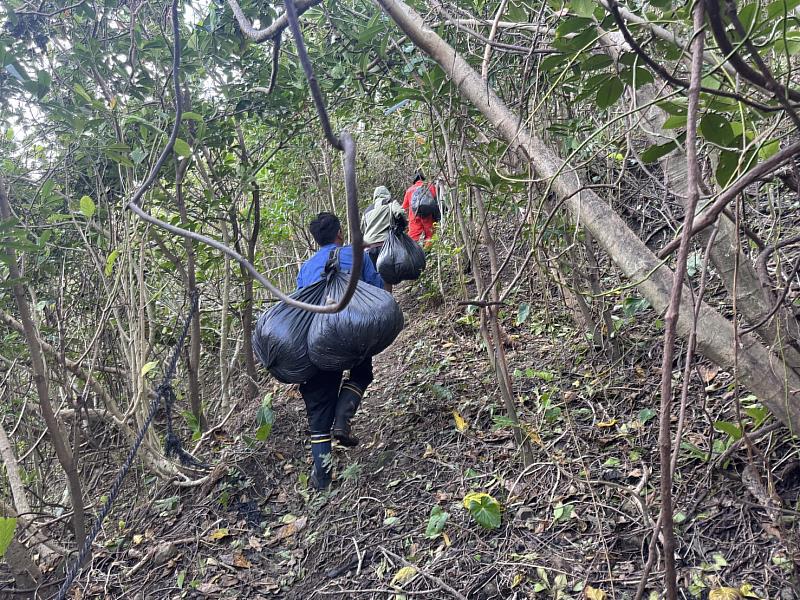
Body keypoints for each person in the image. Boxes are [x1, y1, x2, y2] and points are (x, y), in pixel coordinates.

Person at [296, 212, 384, 491]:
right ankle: (343, 419)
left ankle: (322, 480)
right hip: (354, 332)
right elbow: (378, 290)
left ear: (315, 239)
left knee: (319, 405)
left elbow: (302, 305)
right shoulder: (355, 255)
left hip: (319, 339)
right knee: (361, 371)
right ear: (340, 234)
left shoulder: (306, 268)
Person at [361, 185, 407, 292]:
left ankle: (376, 302)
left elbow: (363, 229)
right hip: (385, 246)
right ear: (387, 195)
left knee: (373, 277)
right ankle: (388, 301)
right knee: (386, 277)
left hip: (368, 248)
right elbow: (400, 213)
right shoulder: (390, 204)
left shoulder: (366, 211)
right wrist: (401, 227)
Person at [402, 170, 437, 247]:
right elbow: (435, 202)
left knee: (414, 242)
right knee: (430, 238)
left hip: (414, 220)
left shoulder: (409, 190)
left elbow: (404, 208)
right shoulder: (431, 187)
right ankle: (427, 255)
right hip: (428, 219)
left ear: (414, 180)